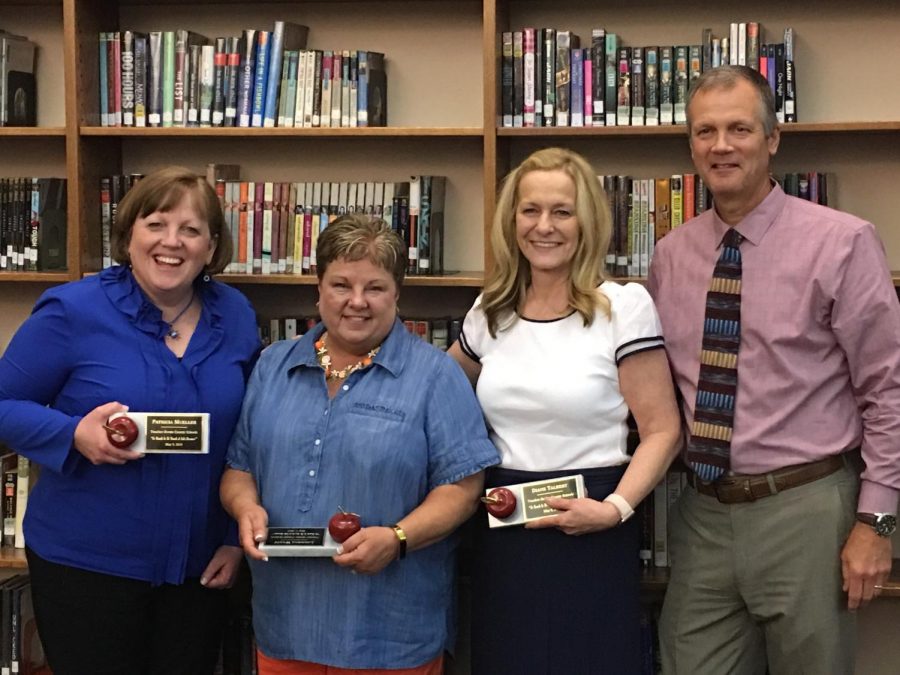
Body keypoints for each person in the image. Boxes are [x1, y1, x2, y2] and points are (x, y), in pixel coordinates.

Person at [648, 65, 900, 675]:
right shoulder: (670, 255)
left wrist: (877, 523)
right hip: (702, 514)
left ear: (773, 139)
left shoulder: (842, 243)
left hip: (808, 511)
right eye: (705, 131)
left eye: (739, 128)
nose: (721, 146)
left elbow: (888, 390)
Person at [0, 166, 261, 675]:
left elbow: (248, 436)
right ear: (128, 234)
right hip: (87, 568)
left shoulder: (235, 315)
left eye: (191, 230)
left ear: (211, 247)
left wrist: (234, 538)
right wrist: (72, 433)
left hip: (200, 567)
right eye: (157, 224)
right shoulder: (73, 310)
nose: (172, 243)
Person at [220, 214, 499, 675]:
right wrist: (244, 508)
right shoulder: (272, 365)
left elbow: (463, 489)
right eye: (341, 285)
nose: (357, 302)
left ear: (397, 294)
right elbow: (239, 467)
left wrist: (398, 538)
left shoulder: (435, 376)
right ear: (318, 289)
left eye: (375, 287)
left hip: (390, 629)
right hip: (286, 623)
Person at [448, 146, 682, 674]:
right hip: (503, 526)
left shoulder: (623, 307)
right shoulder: (490, 311)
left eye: (562, 211)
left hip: (593, 522)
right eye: (530, 210)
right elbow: (436, 396)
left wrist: (616, 510)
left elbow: (664, 430)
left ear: (588, 221)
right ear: (512, 221)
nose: (544, 226)